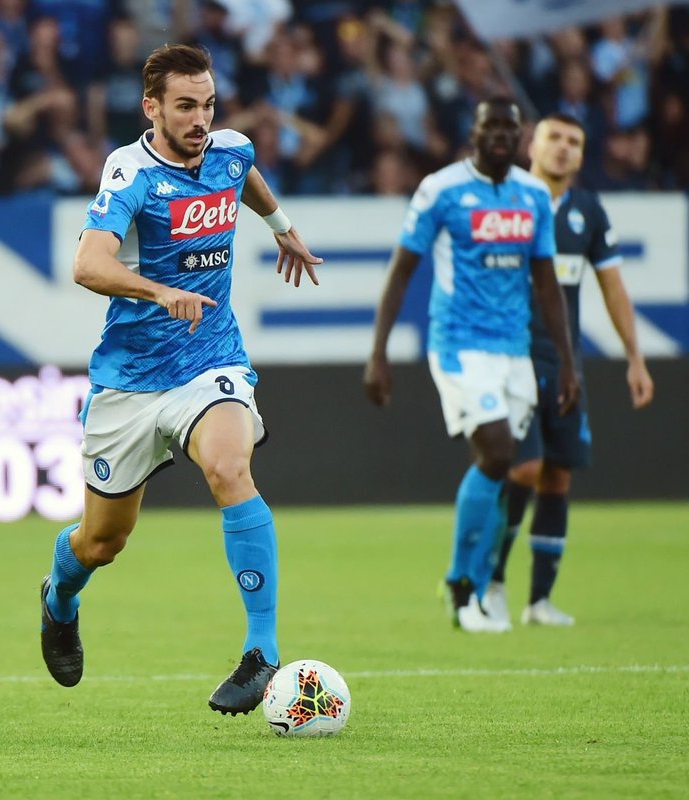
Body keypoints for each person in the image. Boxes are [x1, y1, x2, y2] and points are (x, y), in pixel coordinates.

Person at [38, 44, 323, 715]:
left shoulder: (230, 150)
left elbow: (245, 176)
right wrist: (159, 292)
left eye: (209, 105)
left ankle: (261, 651)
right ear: (152, 108)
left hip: (210, 360)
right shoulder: (130, 172)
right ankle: (59, 597)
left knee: (229, 466)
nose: (201, 120)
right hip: (131, 379)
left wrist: (282, 228)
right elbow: (87, 264)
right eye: (186, 106)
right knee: (101, 542)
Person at [363, 97, 580, 634]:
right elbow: (402, 269)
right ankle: (463, 587)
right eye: (492, 126)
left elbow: (546, 281)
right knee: (499, 451)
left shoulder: (533, 195)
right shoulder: (441, 189)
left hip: (515, 350)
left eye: (510, 126)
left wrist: (567, 362)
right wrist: (379, 352)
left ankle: (476, 588)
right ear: (474, 133)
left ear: (520, 136)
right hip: (459, 345)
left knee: (502, 468)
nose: (501, 134)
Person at [485, 113, 654, 627]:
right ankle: (492, 582)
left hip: (564, 364)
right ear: (531, 146)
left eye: (574, 141)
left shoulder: (588, 211)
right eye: (554, 137)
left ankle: (539, 600)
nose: (563, 148)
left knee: (557, 475)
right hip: (512, 358)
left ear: (582, 154)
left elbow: (613, 287)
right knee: (524, 468)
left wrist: (635, 357)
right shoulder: (503, 201)